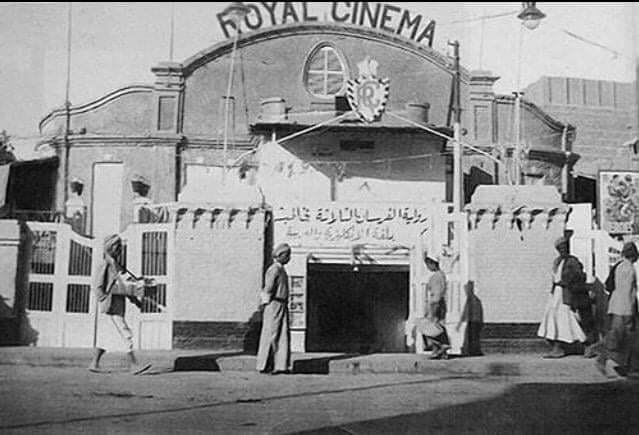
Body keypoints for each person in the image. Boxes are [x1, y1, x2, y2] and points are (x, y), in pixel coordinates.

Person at [88, 234, 152, 375]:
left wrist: (135, 300)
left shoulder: (116, 265)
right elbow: (97, 285)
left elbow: (123, 286)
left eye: (120, 246)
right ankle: (134, 365)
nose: (120, 249)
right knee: (125, 334)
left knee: (106, 336)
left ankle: (94, 363)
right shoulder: (105, 264)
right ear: (110, 247)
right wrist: (103, 299)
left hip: (118, 305)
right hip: (111, 306)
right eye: (117, 246)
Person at [537, 236, 587, 358]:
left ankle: (585, 345)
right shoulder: (557, 261)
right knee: (554, 319)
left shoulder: (572, 261)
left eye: (565, 247)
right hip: (556, 294)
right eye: (560, 248)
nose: (563, 250)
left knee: (567, 319)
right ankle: (558, 347)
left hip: (566, 294)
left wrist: (567, 282)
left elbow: (579, 277)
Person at [595, 241, 639, 377]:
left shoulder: (619, 266)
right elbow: (628, 291)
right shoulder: (629, 269)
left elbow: (610, 286)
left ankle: (614, 363)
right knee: (628, 339)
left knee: (617, 337)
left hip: (615, 305)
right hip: (625, 308)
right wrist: (630, 312)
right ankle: (626, 367)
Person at [256, 243, 292, 375]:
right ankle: (266, 364)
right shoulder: (274, 270)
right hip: (274, 304)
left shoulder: (281, 270)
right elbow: (268, 288)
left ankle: (280, 365)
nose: (289, 258)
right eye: (287, 255)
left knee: (282, 334)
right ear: (281, 255)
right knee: (272, 333)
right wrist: (264, 304)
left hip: (281, 304)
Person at [423, 252, 450, 360]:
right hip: (440, 302)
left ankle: (440, 346)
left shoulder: (436, 276)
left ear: (433, 264)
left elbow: (437, 293)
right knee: (438, 326)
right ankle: (441, 352)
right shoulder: (441, 275)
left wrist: (434, 306)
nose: (428, 267)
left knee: (431, 328)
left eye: (428, 264)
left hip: (436, 302)